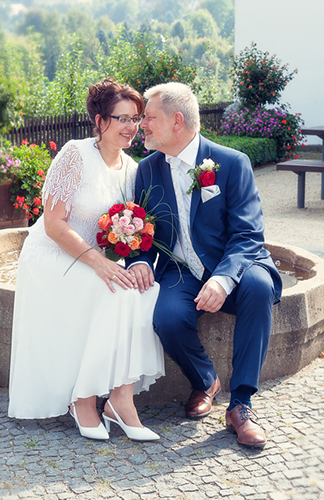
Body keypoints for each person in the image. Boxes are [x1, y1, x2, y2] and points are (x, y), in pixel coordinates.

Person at [126, 82, 282, 449]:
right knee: (165, 316)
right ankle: (206, 380)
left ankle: (241, 405)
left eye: (148, 117)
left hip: (237, 265)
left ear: (176, 121)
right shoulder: (146, 170)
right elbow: (141, 231)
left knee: (258, 287)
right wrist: (139, 261)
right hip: (181, 270)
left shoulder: (231, 162)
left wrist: (225, 278)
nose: (141, 125)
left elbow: (248, 233)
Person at [8, 78, 164, 441]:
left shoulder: (133, 169)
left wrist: (136, 260)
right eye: (122, 118)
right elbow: (52, 224)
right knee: (115, 289)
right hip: (52, 256)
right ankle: (84, 398)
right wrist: (100, 263)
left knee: (141, 291)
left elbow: (133, 228)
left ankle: (121, 401)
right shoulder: (74, 155)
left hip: (94, 257)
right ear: (99, 120)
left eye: (136, 119)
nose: (131, 127)